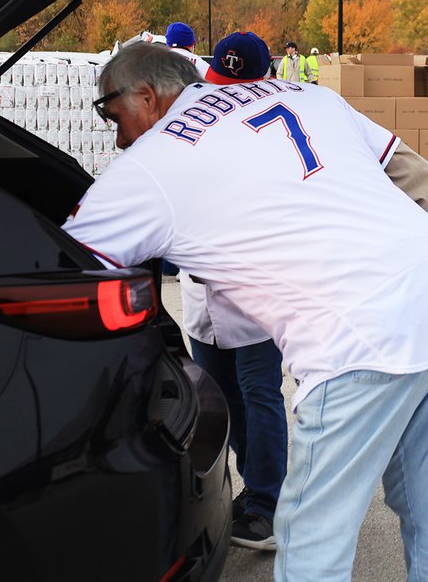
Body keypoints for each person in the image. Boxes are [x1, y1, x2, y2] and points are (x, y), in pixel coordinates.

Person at [65, 44, 428, 581]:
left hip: (359, 334)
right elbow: (413, 170)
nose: (118, 137)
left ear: (147, 97)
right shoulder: (304, 93)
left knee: (313, 537)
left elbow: (67, 266)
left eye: (114, 116)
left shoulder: (151, 163)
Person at [174, 31, 287, 550]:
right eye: (223, 84)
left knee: (259, 395)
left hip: (255, 290)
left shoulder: (273, 135)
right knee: (220, 399)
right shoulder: (194, 124)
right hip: (203, 295)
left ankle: (268, 505)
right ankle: (249, 487)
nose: (229, 96)